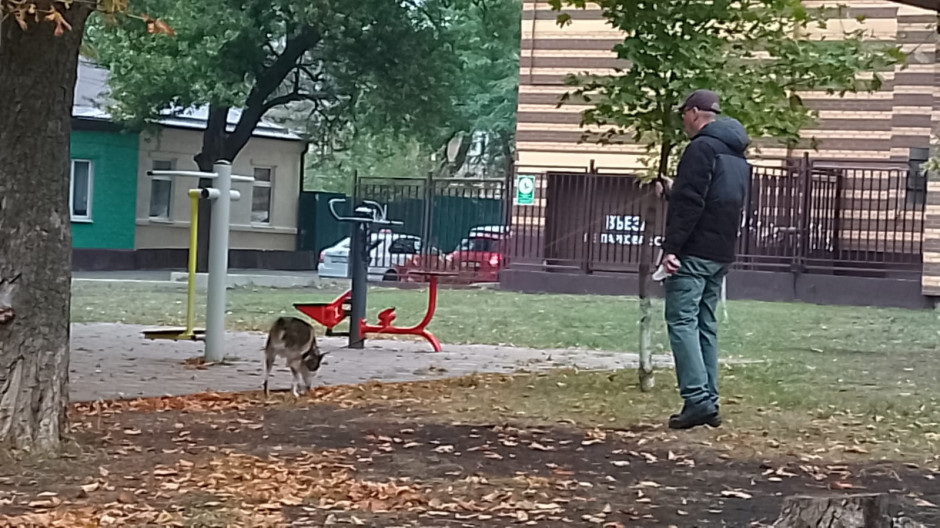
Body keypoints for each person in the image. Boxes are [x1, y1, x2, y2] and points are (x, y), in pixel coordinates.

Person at [659, 89, 751, 430]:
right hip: (721, 251)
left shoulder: (700, 149)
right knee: (705, 324)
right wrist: (675, 189)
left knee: (682, 321)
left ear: (696, 112)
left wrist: (672, 248)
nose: (683, 119)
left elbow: (691, 203)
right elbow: (721, 200)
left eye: (684, 112)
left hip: (694, 250)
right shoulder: (737, 155)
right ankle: (708, 399)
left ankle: (697, 400)